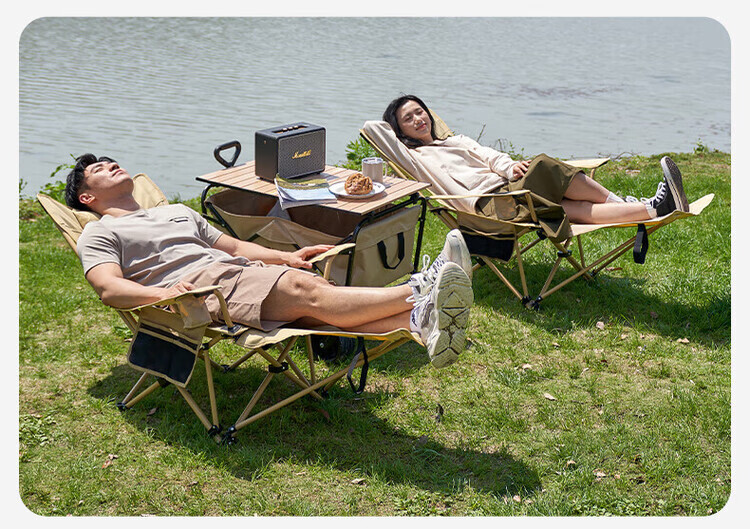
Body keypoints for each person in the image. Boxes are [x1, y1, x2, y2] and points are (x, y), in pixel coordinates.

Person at [64, 154, 474, 368]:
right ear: (87, 197)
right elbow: (108, 288)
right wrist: (163, 294)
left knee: (317, 308)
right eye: (99, 169)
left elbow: (234, 246)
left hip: (239, 272)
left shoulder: (177, 212)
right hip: (203, 290)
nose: (112, 164)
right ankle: (421, 286)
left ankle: (419, 320)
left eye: (112, 160)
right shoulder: (99, 233)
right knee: (303, 289)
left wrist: (285, 255)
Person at [363, 94, 690, 242]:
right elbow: (373, 129)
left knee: (560, 207)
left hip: (510, 192)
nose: (418, 119)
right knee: (545, 165)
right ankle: (629, 203)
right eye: (408, 118)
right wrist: (393, 129)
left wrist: (509, 167)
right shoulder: (417, 160)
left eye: (420, 111)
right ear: (399, 131)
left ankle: (651, 209)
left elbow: (490, 156)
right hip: (489, 207)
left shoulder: (456, 140)